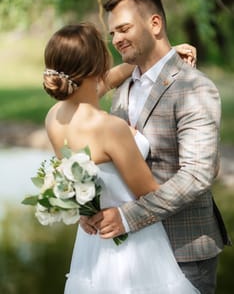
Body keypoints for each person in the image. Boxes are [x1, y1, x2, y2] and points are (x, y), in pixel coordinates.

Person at [81, 0, 231, 294]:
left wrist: (126, 217)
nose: (117, 39)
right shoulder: (122, 88)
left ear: (155, 24)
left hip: (183, 251)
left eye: (124, 29)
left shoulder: (193, 87)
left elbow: (197, 175)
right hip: (131, 252)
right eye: (112, 33)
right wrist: (89, 206)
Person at [43, 23, 200, 293]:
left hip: (92, 245)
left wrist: (165, 55)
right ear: (99, 64)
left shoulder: (54, 118)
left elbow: (107, 80)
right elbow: (150, 195)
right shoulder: (110, 128)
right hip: (135, 249)